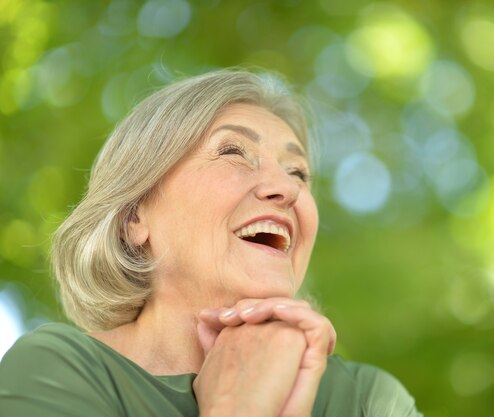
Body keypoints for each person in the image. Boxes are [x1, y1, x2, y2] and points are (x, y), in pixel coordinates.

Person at [0, 69, 420, 416]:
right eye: (234, 152)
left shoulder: (368, 399)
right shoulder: (58, 368)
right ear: (133, 218)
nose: (286, 190)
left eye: (299, 173)